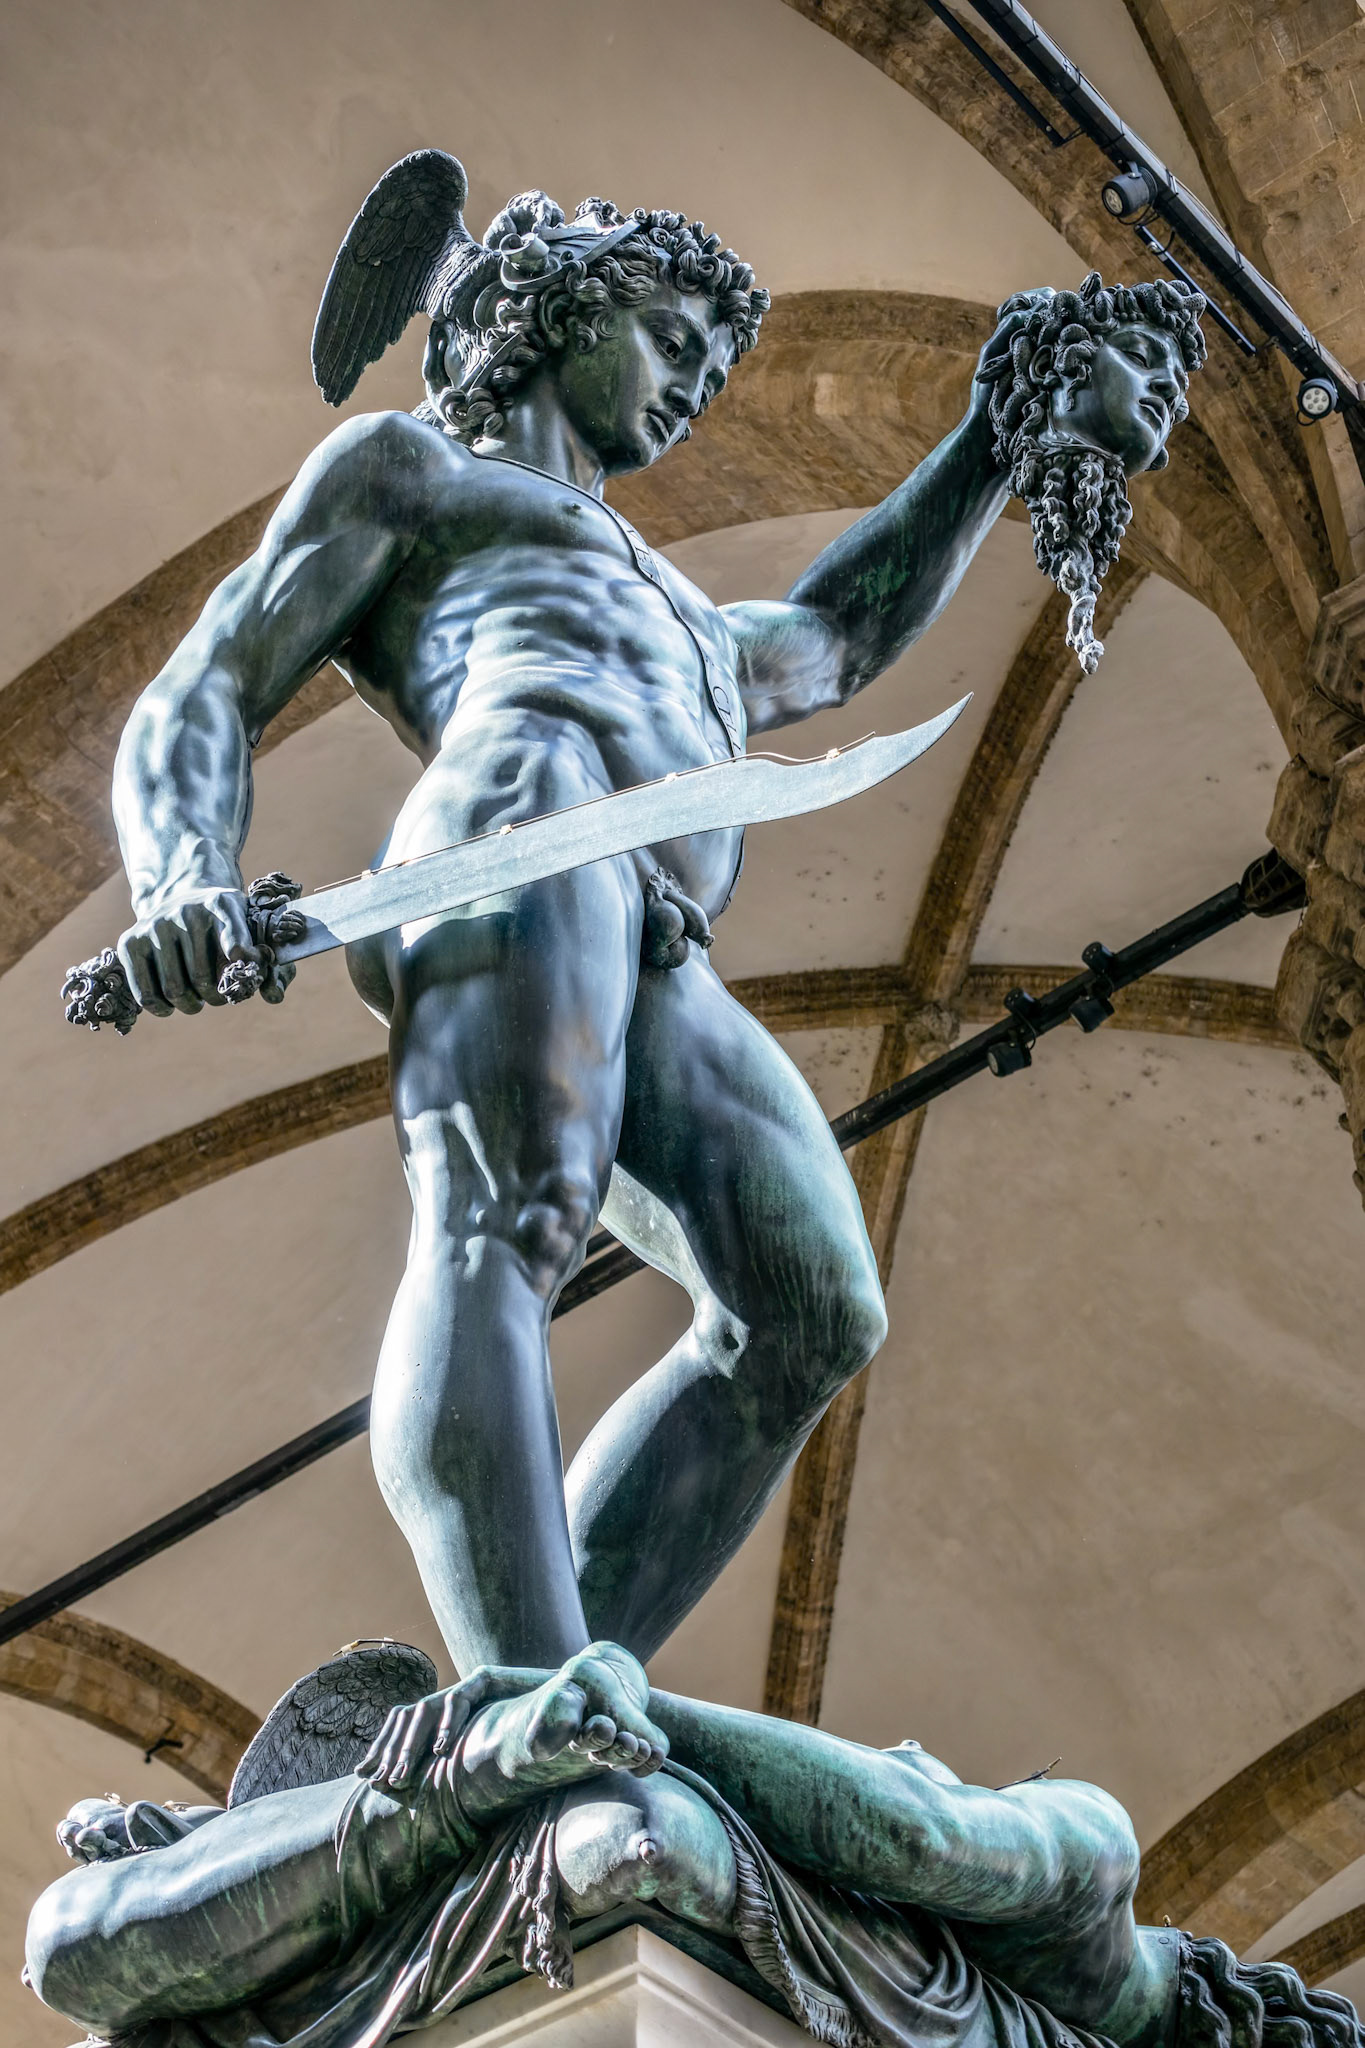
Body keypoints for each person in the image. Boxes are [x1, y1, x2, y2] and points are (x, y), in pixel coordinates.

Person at [108, 147, 1200, 1679]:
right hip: (512, 837)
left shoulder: (691, 616)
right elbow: (203, 690)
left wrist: (998, 433)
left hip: (660, 927)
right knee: (507, 1217)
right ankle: (529, 1711)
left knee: (812, 1308)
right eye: (674, 341)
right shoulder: (411, 478)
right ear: (554, 314)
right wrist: (179, 882)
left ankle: (533, 1691)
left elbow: (830, 636)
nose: (695, 386)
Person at [26, 1645, 1360, 2048]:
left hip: (626, 1828)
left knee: (76, 1954)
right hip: (647, 1811)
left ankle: (393, 1808)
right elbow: (908, 1825)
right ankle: (443, 1787)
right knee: (70, 1950)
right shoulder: (1094, 1882)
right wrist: (617, 1712)